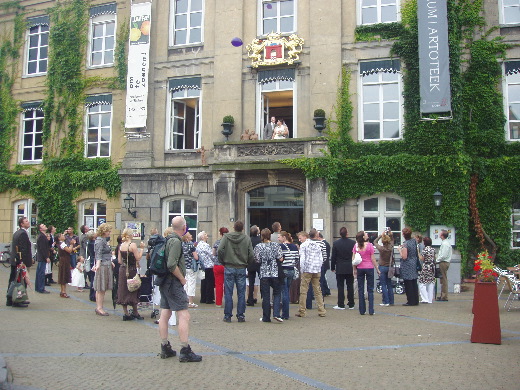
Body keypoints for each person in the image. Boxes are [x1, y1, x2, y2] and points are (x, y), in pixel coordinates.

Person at [158, 216, 202, 362]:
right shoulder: (176, 241)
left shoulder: (167, 239)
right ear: (183, 228)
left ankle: (165, 347)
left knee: (165, 313)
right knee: (184, 315)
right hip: (173, 282)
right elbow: (171, 264)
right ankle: (185, 349)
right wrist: (182, 279)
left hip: (164, 282)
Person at [218, 220, 254, 323]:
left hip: (229, 265)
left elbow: (220, 249)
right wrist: (247, 262)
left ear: (234, 227)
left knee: (228, 292)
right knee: (241, 292)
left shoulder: (226, 237)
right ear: (242, 228)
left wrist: (222, 261)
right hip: (241, 266)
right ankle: (241, 315)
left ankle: (228, 315)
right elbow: (251, 253)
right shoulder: (246, 238)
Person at [255, 228, 284, 322]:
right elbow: (280, 258)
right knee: (276, 293)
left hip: (264, 273)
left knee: (266, 295)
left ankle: (266, 317)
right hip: (275, 272)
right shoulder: (276, 245)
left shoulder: (258, 246)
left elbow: (257, 260)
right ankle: (276, 314)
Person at [117, 228, 146, 321]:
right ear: (130, 235)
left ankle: (126, 313)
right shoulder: (132, 245)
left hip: (122, 270)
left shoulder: (121, 245)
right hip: (131, 269)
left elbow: (119, 260)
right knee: (133, 288)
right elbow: (138, 258)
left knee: (123, 289)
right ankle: (135, 312)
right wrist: (141, 249)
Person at [295, 231, 326, 318]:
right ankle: (321, 310)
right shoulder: (317, 244)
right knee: (317, 290)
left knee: (303, 291)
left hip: (307, 269)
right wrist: (319, 267)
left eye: (300, 238)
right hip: (316, 269)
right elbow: (321, 257)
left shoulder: (303, 245)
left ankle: (302, 311)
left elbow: (302, 259)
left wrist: (302, 269)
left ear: (305, 237)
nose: (299, 240)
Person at [6, 217, 33, 307]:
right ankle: (17, 300)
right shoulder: (22, 234)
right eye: (26, 221)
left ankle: (10, 299)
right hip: (20, 261)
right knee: (20, 281)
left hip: (16, 260)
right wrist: (23, 262)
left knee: (13, 280)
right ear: (22, 224)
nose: (28, 222)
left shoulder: (18, 232)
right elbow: (22, 249)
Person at [353, 231, 379, 315]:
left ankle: (362, 310)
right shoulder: (370, 246)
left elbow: (353, 259)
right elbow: (373, 259)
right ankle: (371, 310)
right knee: (370, 289)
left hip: (360, 268)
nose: (367, 234)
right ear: (364, 237)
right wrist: (377, 269)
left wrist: (354, 269)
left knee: (361, 289)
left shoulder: (356, 246)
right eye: (365, 234)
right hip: (369, 267)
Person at [331, 227, 356, 310]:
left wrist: (332, 267)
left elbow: (333, 256)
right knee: (350, 286)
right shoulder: (353, 243)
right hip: (350, 266)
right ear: (347, 233)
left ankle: (341, 304)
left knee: (340, 286)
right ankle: (351, 303)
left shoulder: (336, 243)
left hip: (340, 267)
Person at [93, 223, 113, 316]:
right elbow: (98, 254)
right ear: (104, 231)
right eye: (108, 231)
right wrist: (97, 265)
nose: (110, 232)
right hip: (103, 266)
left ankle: (99, 307)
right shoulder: (100, 241)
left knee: (100, 288)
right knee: (101, 288)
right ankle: (99, 308)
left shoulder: (103, 240)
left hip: (106, 264)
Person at [277, 231, 299, 319]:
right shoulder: (294, 246)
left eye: (279, 237)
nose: (278, 239)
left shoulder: (280, 246)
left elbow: (278, 258)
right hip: (291, 270)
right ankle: (285, 313)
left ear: (284, 237)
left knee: (284, 292)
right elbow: (297, 258)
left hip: (283, 270)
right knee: (287, 290)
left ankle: (285, 314)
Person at [398, 227, 419, 306]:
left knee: (408, 283)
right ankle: (416, 300)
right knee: (414, 282)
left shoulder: (406, 244)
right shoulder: (414, 241)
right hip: (413, 262)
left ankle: (410, 301)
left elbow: (404, 256)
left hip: (407, 264)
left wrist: (400, 250)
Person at [374, 229, 395, 307]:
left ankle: (385, 301)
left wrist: (380, 235)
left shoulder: (381, 249)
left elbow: (375, 242)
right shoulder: (391, 247)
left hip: (382, 267)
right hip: (389, 267)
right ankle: (391, 301)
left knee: (383, 284)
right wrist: (390, 234)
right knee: (389, 284)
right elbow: (392, 240)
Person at [182, 232, 199, 308]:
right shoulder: (191, 245)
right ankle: (191, 302)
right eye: (190, 235)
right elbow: (196, 257)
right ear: (187, 238)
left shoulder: (182, 244)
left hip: (184, 266)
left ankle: (185, 300)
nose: (191, 235)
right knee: (191, 283)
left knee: (185, 283)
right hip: (191, 266)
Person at [197, 231, 215, 305]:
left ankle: (203, 298)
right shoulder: (206, 245)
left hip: (202, 266)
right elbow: (211, 255)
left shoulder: (198, 245)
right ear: (202, 237)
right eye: (205, 234)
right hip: (209, 265)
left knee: (203, 282)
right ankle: (209, 298)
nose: (206, 235)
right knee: (210, 283)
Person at [212, 227, 228, 308]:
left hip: (218, 265)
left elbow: (213, 254)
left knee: (218, 285)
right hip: (227, 265)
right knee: (227, 284)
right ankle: (228, 302)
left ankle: (218, 303)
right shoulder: (229, 243)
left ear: (220, 233)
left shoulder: (217, 242)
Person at [55, 232, 74, 298]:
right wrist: (71, 244)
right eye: (62, 235)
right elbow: (69, 250)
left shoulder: (60, 243)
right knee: (64, 275)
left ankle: (63, 291)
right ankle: (63, 291)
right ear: (59, 238)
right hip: (64, 260)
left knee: (63, 274)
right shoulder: (62, 243)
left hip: (63, 260)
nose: (64, 236)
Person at [436, 229, 452, 302]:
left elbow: (443, 255)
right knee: (442, 279)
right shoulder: (445, 243)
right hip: (443, 262)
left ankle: (444, 296)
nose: (439, 235)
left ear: (442, 235)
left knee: (444, 279)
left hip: (444, 262)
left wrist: (437, 260)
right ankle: (443, 295)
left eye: (440, 234)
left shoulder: (445, 244)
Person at [247, 225, 261, 306]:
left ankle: (250, 299)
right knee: (262, 280)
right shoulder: (260, 241)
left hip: (251, 263)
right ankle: (264, 298)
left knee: (251, 282)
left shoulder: (249, 240)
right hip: (258, 263)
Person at [418, 237, 435, 304]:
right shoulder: (433, 249)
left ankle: (425, 298)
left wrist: (418, 254)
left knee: (422, 282)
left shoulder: (425, 250)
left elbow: (422, 258)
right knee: (431, 282)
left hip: (426, 266)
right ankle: (430, 299)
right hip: (432, 266)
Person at [35, 223, 51, 294]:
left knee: (39, 273)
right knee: (41, 273)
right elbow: (43, 248)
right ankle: (41, 288)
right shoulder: (41, 236)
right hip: (42, 257)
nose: (45, 226)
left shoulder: (43, 236)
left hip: (41, 257)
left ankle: (38, 287)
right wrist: (46, 257)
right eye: (43, 226)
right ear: (41, 229)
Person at [318, 232, 331, 296]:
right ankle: (326, 291)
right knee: (323, 278)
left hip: (324, 263)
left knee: (321, 278)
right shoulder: (326, 243)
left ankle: (323, 291)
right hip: (325, 263)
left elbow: (325, 255)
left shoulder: (324, 243)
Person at [86, 231, 97, 302]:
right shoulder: (93, 243)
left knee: (93, 278)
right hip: (94, 261)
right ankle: (93, 295)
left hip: (92, 260)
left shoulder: (89, 242)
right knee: (94, 279)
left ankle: (92, 295)